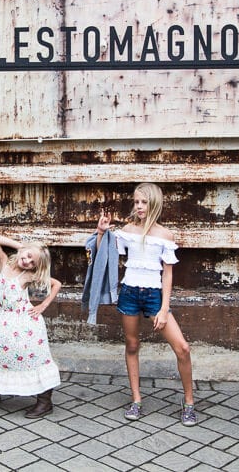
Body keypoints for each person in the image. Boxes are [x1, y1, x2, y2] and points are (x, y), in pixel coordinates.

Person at [92, 182, 197, 425]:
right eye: (136, 202)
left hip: (154, 297)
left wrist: (163, 308)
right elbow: (105, 256)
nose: (139, 206)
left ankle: (189, 402)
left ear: (154, 203)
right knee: (131, 345)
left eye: (144, 202)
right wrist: (100, 233)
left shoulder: (165, 235)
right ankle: (136, 400)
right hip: (129, 293)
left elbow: (167, 274)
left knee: (182, 348)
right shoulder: (127, 230)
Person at [0, 233, 62, 418]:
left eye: (33, 262)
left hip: (25, 324)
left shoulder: (27, 275)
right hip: (4, 321)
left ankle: (45, 401)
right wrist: (21, 247)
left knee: (32, 358)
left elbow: (56, 284)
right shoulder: (4, 262)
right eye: (28, 256)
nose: (28, 261)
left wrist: (43, 305)